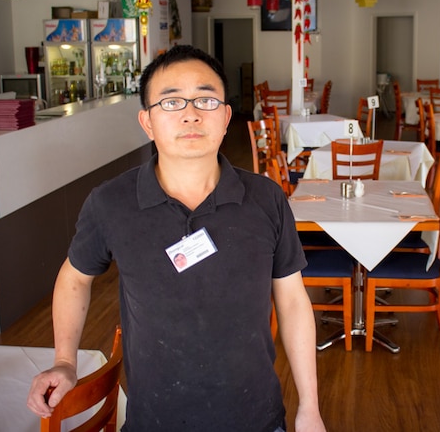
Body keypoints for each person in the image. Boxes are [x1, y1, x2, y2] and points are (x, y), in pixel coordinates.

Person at [27, 45, 325, 432]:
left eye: (205, 99)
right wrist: (65, 361)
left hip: (256, 417)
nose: (190, 113)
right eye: (170, 102)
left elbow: (292, 301)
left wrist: (310, 407)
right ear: (147, 122)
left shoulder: (266, 199)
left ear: (225, 117)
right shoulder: (111, 202)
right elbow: (74, 278)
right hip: (154, 420)